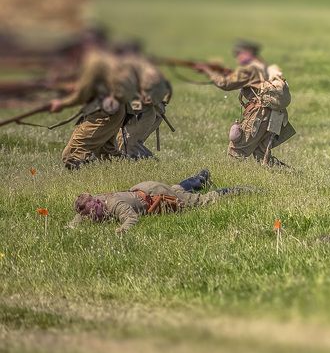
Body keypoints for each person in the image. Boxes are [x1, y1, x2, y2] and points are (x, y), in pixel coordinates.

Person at [195, 41, 294, 165]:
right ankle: (290, 174)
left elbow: (225, 84)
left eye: (239, 54)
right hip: (276, 115)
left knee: (236, 151)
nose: (237, 57)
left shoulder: (249, 69)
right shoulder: (264, 66)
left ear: (247, 53)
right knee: (262, 155)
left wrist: (208, 71)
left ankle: (230, 178)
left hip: (260, 114)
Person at [48, 35, 139, 169]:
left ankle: (76, 182)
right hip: (117, 110)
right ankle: (132, 169)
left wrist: (62, 104)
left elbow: (83, 93)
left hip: (104, 113)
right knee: (107, 154)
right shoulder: (105, 59)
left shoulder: (94, 61)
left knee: (72, 154)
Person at [67, 170, 249, 233]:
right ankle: (199, 178)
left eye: (92, 214)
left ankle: (244, 189)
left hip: (155, 194)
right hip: (144, 188)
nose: (90, 217)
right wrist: (72, 226)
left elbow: (131, 218)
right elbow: (80, 214)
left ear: (98, 207)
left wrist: (122, 229)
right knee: (178, 190)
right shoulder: (94, 201)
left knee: (201, 201)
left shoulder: (114, 204)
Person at [116, 40, 173, 159]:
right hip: (151, 112)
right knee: (130, 144)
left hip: (141, 114)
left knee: (128, 146)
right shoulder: (143, 68)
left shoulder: (133, 69)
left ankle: (150, 162)